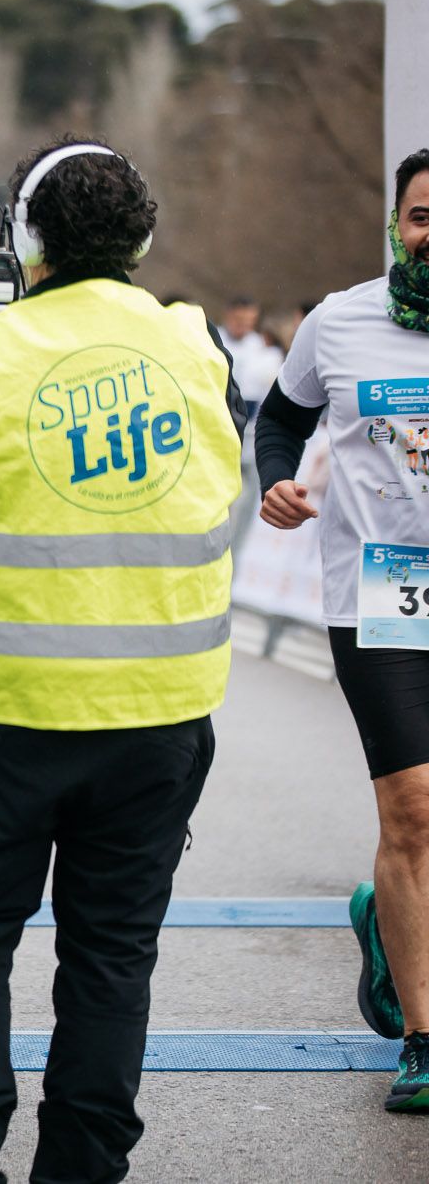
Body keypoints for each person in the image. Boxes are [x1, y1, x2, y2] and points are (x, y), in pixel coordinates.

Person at [0, 138, 244, 1181]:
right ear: (143, 238)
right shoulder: (194, 343)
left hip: (6, 708)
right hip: (159, 711)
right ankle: (80, 1167)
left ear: (20, 239)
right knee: (111, 957)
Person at [254, 147, 429, 1114]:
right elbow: (280, 419)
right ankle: (422, 1037)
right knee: (412, 811)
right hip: (381, 599)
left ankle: (383, 924)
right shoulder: (342, 319)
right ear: (396, 224)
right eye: (420, 216)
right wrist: (275, 478)